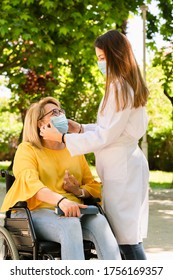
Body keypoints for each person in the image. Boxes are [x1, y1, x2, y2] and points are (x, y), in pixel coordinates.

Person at [40, 30, 150, 260]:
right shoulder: (127, 85)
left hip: (123, 168)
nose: (100, 63)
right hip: (125, 164)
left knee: (126, 240)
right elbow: (110, 130)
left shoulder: (118, 87)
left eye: (102, 58)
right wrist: (79, 128)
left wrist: (61, 138)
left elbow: (105, 136)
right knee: (128, 237)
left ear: (115, 56)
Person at [0, 96, 121, 260]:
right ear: (40, 123)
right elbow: (31, 184)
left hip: (74, 211)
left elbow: (92, 185)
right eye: (54, 112)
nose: (61, 115)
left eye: (61, 111)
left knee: (100, 222)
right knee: (69, 224)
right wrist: (61, 201)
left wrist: (78, 191)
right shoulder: (27, 150)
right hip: (35, 212)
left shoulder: (73, 149)